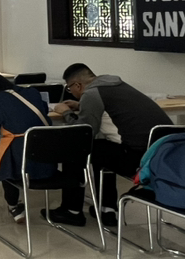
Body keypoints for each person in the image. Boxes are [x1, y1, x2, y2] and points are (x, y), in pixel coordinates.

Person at [45, 63, 171, 227]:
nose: (71, 92)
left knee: (77, 148)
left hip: (141, 162)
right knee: (102, 150)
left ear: (77, 85)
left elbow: (84, 132)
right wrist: (82, 105)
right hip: (165, 157)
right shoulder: (116, 85)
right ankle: (107, 209)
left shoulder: (91, 94)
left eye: (69, 88)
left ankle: (71, 210)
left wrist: (66, 112)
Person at [0, 73, 55, 224]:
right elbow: (43, 110)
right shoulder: (32, 92)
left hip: (22, 167)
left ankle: (6, 200)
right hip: (48, 163)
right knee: (8, 146)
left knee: (6, 152)